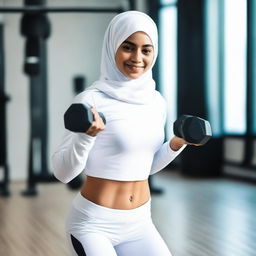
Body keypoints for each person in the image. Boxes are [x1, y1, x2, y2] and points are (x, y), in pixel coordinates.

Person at [52, 11, 196, 256]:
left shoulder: (156, 101)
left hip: (140, 223)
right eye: (128, 47)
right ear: (112, 47)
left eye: (146, 50)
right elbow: (63, 173)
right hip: (93, 225)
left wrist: (176, 143)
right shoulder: (91, 99)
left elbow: (144, 167)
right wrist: (86, 136)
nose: (137, 58)